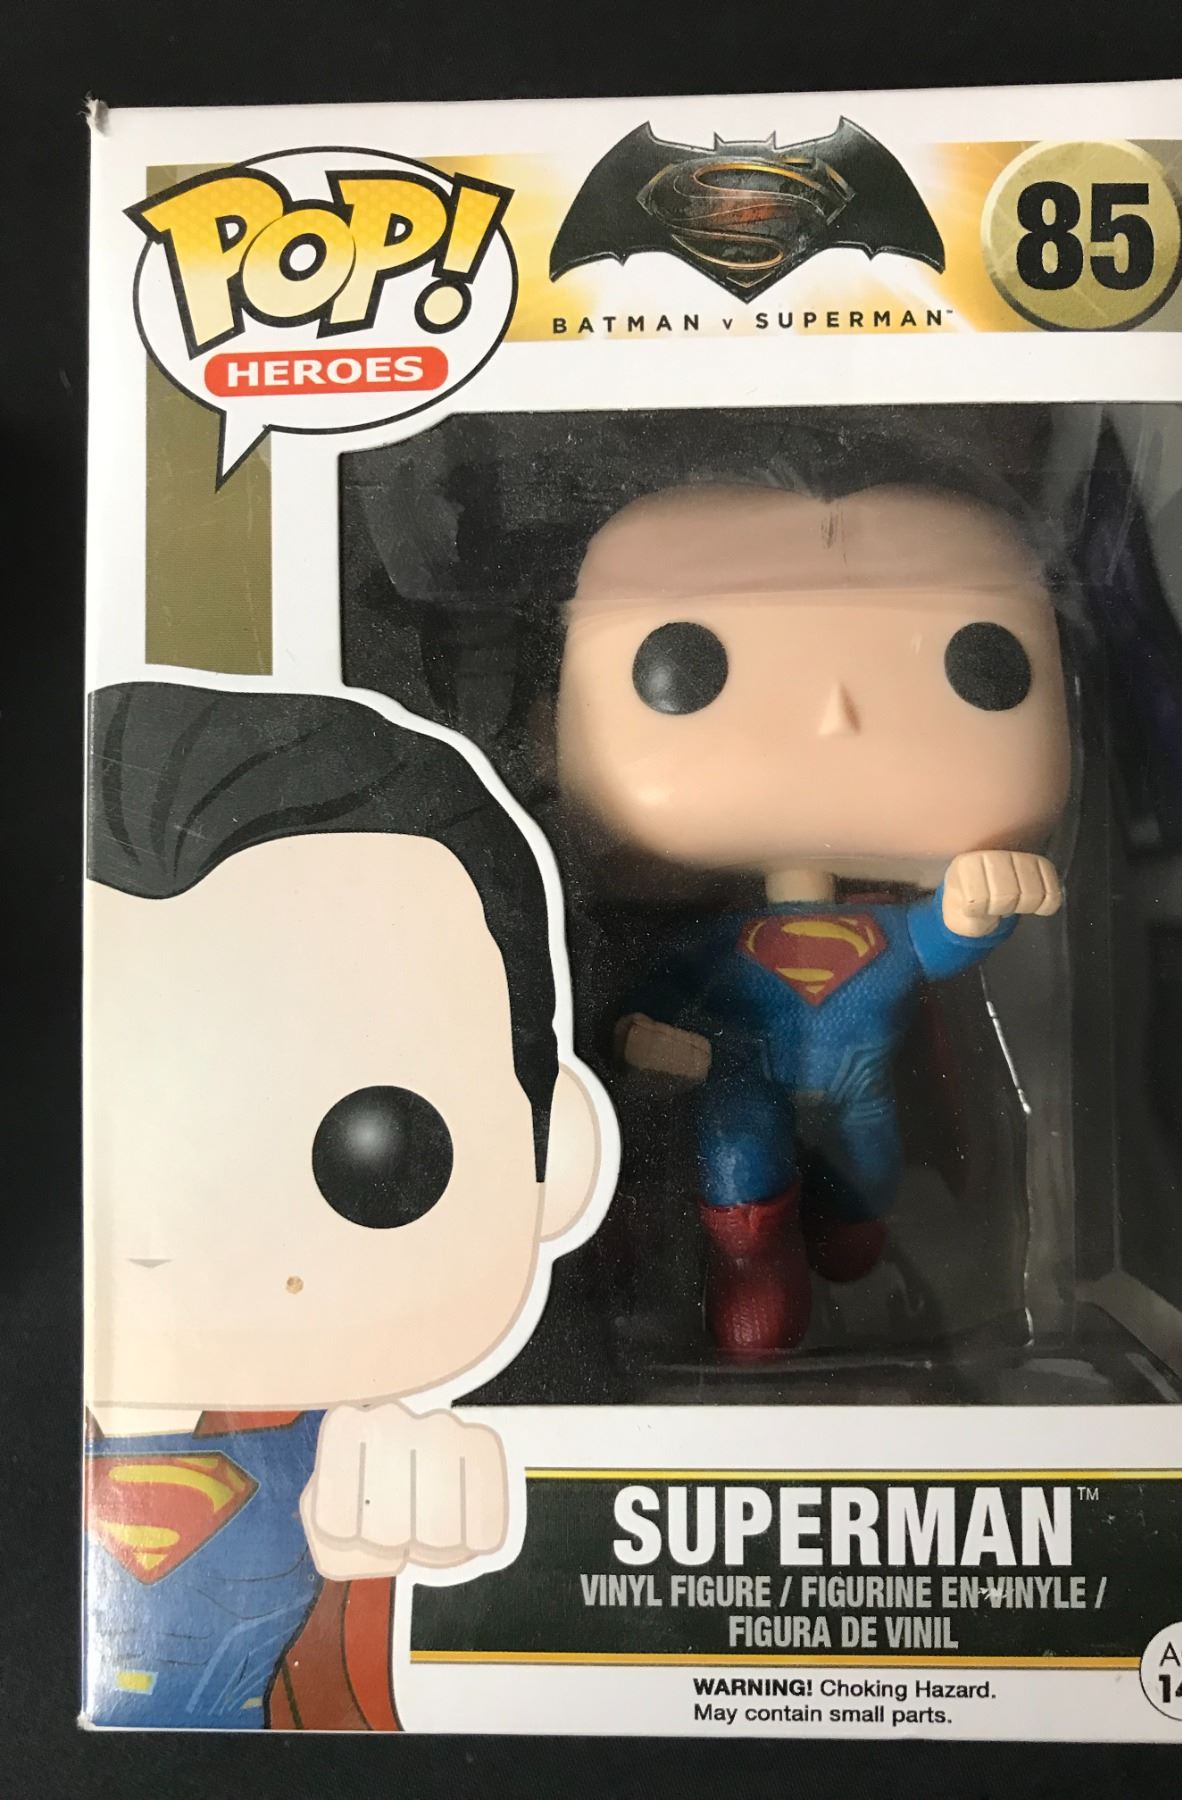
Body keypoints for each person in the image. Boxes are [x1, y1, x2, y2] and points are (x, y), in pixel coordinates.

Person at [83, 681, 612, 1727]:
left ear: (555, 1155)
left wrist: (407, 1544)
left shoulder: (340, 1468)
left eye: (375, 1149)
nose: (188, 1226)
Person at [557, 482, 1069, 1356]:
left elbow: (940, 941)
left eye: (980, 662)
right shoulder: (716, 945)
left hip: (864, 1087)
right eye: (685, 667)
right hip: (740, 1069)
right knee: (739, 1164)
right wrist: (640, 1038)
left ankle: (848, 1237)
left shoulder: (886, 933)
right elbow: (651, 998)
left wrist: (975, 902)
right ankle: (751, 1264)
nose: (836, 711)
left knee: (868, 1180)